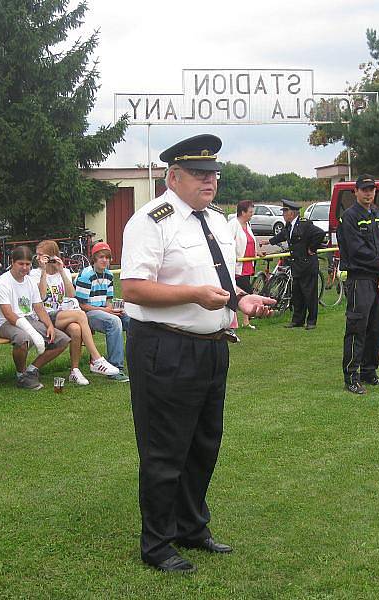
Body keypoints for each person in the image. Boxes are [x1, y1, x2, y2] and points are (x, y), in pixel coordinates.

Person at [121, 134, 275, 573]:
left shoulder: (217, 221)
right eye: (200, 174)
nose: (211, 181)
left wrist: (239, 300)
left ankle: (191, 526)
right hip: (165, 347)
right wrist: (194, 295)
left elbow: (219, 281)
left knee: (203, 445)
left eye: (214, 174)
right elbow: (132, 288)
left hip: (211, 348)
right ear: (174, 177)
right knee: (165, 450)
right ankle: (158, 544)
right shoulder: (153, 220)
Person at [29, 240, 119, 385]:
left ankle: (75, 371)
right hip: (44, 316)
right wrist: (44, 271)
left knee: (76, 329)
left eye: (42, 255)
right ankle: (96, 359)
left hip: (61, 314)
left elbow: (71, 295)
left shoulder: (63, 271)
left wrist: (61, 271)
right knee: (80, 315)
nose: (38, 258)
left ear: (52, 255)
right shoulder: (35, 274)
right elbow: (41, 296)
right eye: (37, 255)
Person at [337, 174, 379, 395]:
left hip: (377, 278)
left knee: (376, 328)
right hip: (359, 278)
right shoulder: (349, 218)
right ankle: (351, 376)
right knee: (357, 328)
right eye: (364, 189)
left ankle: (369, 372)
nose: (369, 193)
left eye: (372, 189)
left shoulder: (375, 214)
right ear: (356, 192)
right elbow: (356, 250)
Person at [0, 245, 68, 391]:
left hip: (29, 319)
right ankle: (21, 375)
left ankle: (31, 371)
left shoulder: (30, 281)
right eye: (21, 264)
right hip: (5, 323)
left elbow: (38, 306)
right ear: (12, 262)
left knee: (62, 339)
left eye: (28, 264)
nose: (25, 268)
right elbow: (8, 314)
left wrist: (49, 326)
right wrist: (32, 332)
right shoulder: (2, 282)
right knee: (23, 338)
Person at [263, 199, 326, 330]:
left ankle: (311, 321)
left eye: (285, 212)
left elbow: (320, 233)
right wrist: (269, 241)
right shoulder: (288, 226)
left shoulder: (304, 224)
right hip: (296, 265)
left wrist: (312, 249)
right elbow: (282, 235)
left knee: (309, 295)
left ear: (292, 213)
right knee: (297, 294)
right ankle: (298, 320)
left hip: (307, 265)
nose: (283, 215)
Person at [74, 242, 129, 382]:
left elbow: (108, 300)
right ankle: (115, 367)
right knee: (114, 321)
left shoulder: (109, 275)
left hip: (100, 310)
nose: (105, 260)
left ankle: (136, 358)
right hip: (85, 314)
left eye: (108, 257)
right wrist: (106, 311)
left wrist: (113, 309)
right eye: (101, 257)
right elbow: (81, 305)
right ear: (94, 259)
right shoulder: (86, 275)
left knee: (130, 318)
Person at [228, 200, 258, 329]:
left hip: (247, 266)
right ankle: (233, 322)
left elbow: (250, 243)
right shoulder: (233, 225)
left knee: (245, 292)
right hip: (237, 266)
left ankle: (245, 321)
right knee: (244, 293)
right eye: (250, 212)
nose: (252, 214)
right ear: (242, 212)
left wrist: (258, 253)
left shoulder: (247, 225)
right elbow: (227, 244)